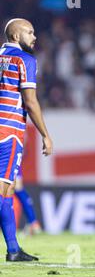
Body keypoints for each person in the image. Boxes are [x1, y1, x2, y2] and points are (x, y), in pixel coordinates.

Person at [0, 18, 53, 261]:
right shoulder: (25, 60)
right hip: (8, 132)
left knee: (8, 191)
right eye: (30, 32)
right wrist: (45, 135)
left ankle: (13, 250)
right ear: (16, 36)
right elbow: (30, 102)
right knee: (3, 191)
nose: (34, 37)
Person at [14, 167, 42, 235]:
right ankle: (33, 222)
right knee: (18, 190)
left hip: (7, 160)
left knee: (18, 189)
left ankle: (33, 222)